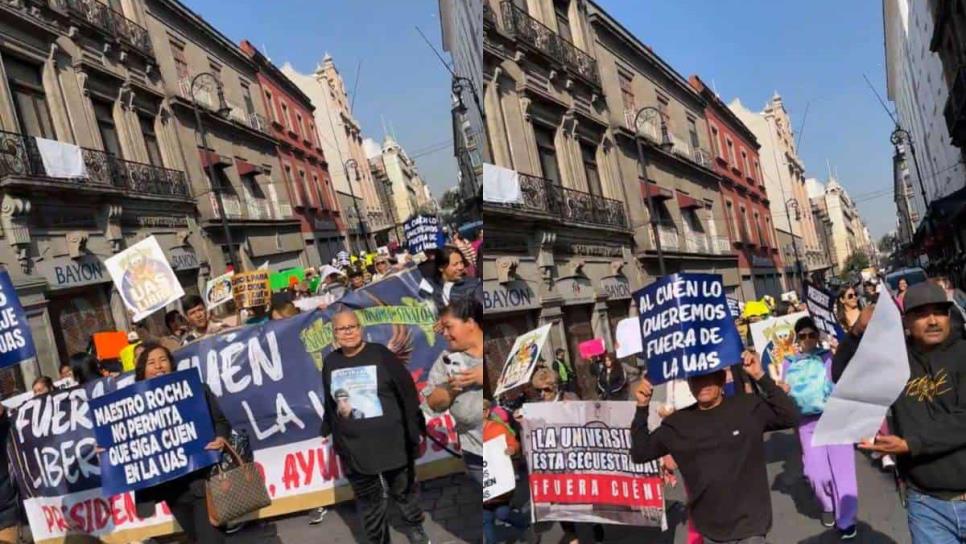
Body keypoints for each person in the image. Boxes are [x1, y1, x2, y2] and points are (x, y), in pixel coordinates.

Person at [834, 282, 966, 544]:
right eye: (921, 314)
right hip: (927, 505)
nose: (932, 321)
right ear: (906, 321)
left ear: (949, 316)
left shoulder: (963, 353)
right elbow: (842, 376)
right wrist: (856, 333)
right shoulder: (893, 359)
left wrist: (910, 443)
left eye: (939, 312)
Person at [630, 352, 799, 543]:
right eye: (696, 379)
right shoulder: (678, 423)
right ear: (690, 383)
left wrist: (760, 375)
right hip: (711, 529)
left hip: (751, 525)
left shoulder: (746, 407)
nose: (702, 385)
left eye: (708, 378)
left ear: (720, 380)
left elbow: (790, 416)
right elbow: (640, 452)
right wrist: (642, 407)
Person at [320, 310, 429, 544]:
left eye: (352, 327)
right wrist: (329, 429)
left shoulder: (381, 355)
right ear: (334, 334)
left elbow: (407, 392)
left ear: (360, 329)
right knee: (369, 502)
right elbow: (330, 402)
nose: (348, 332)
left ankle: (415, 527)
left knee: (403, 491)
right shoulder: (331, 362)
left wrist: (414, 428)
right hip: (355, 447)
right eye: (342, 328)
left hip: (392, 441)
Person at [131, 342, 230, 543]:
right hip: (172, 491)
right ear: (143, 372)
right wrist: (108, 447)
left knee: (211, 539)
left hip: (203, 482)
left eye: (163, 360)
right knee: (195, 538)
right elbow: (126, 441)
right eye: (151, 362)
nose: (158, 366)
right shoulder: (133, 405)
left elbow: (220, 422)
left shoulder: (197, 389)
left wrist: (220, 438)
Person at [781, 317, 858, 539]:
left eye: (811, 334)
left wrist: (839, 350)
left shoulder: (829, 356)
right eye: (802, 336)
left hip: (835, 419)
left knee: (844, 473)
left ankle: (847, 519)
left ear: (818, 335)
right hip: (807, 423)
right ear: (797, 339)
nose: (807, 339)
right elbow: (786, 392)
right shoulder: (789, 362)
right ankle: (827, 505)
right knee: (816, 474)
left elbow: (846, 375)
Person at [426, 298, 484, 488]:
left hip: (510, 447)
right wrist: (450, 389)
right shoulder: (446, 360)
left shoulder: (498, 348)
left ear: (470, 322)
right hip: (476, 452)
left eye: (448, 327)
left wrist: (485, 375)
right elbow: (433, 403)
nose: (445, 334)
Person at [482, 399, 532, 544]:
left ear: (486, 412)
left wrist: (512, 449)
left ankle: (525, 526)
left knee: (502, 514)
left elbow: (514, 443)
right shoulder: (470, 432)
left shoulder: (497, 428)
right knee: (486, 519)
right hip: (483, 484)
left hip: (500, 486)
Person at [430, 245, 482, 309]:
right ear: (441, 267)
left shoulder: (474, 285)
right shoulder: (430, 287)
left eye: (461, 262)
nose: (461, 267)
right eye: (455, 264)